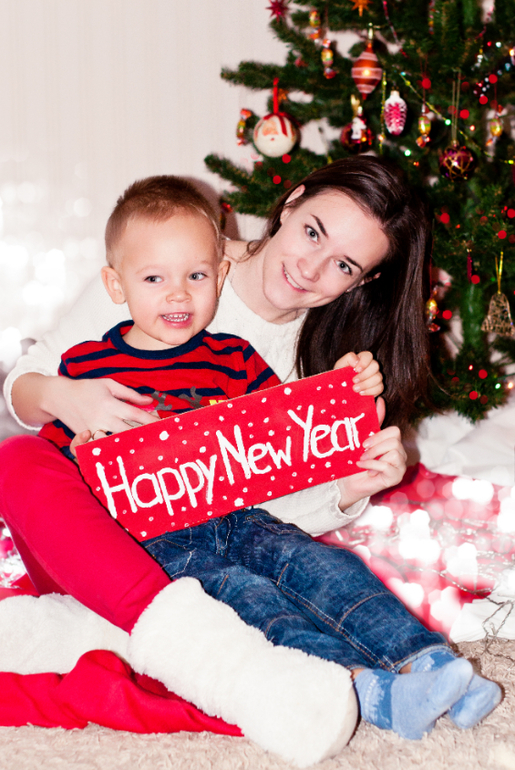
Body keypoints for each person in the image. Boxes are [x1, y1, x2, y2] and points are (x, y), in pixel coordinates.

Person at [0, 162, 500, 763]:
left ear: (362, 281)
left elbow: (268, 475)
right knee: (22, 459)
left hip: (231, 521)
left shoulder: (253, 356)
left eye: (344, 265)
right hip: (125, 537)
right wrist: (66, 398)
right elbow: (29, 402)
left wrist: (348, 473)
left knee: (312, 570)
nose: (311, 269)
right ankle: (346, 685)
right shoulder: (166, 259)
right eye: (313, 232)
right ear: (290, 204)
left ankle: (424, 666)